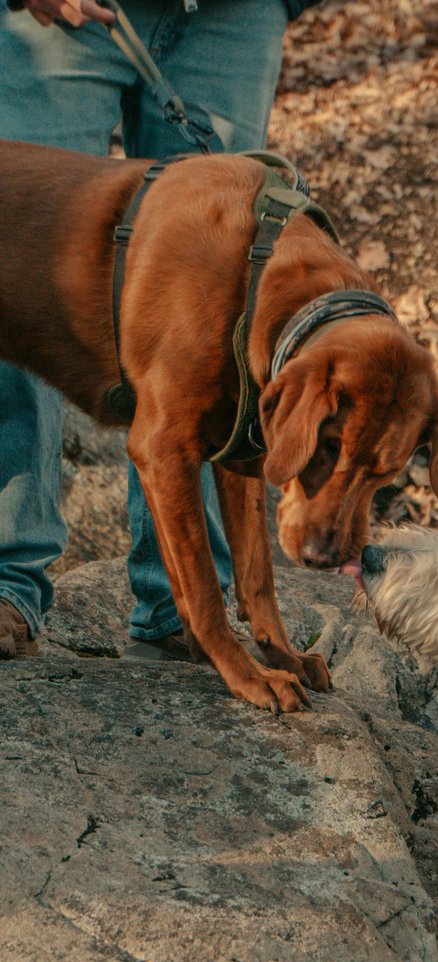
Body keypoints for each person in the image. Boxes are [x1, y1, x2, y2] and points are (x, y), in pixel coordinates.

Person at [0, 0, 318, 661]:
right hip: (62, 19)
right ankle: (9, 582)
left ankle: (187, 613)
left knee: (222, 331)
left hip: (232, 17)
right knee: (17, 264)